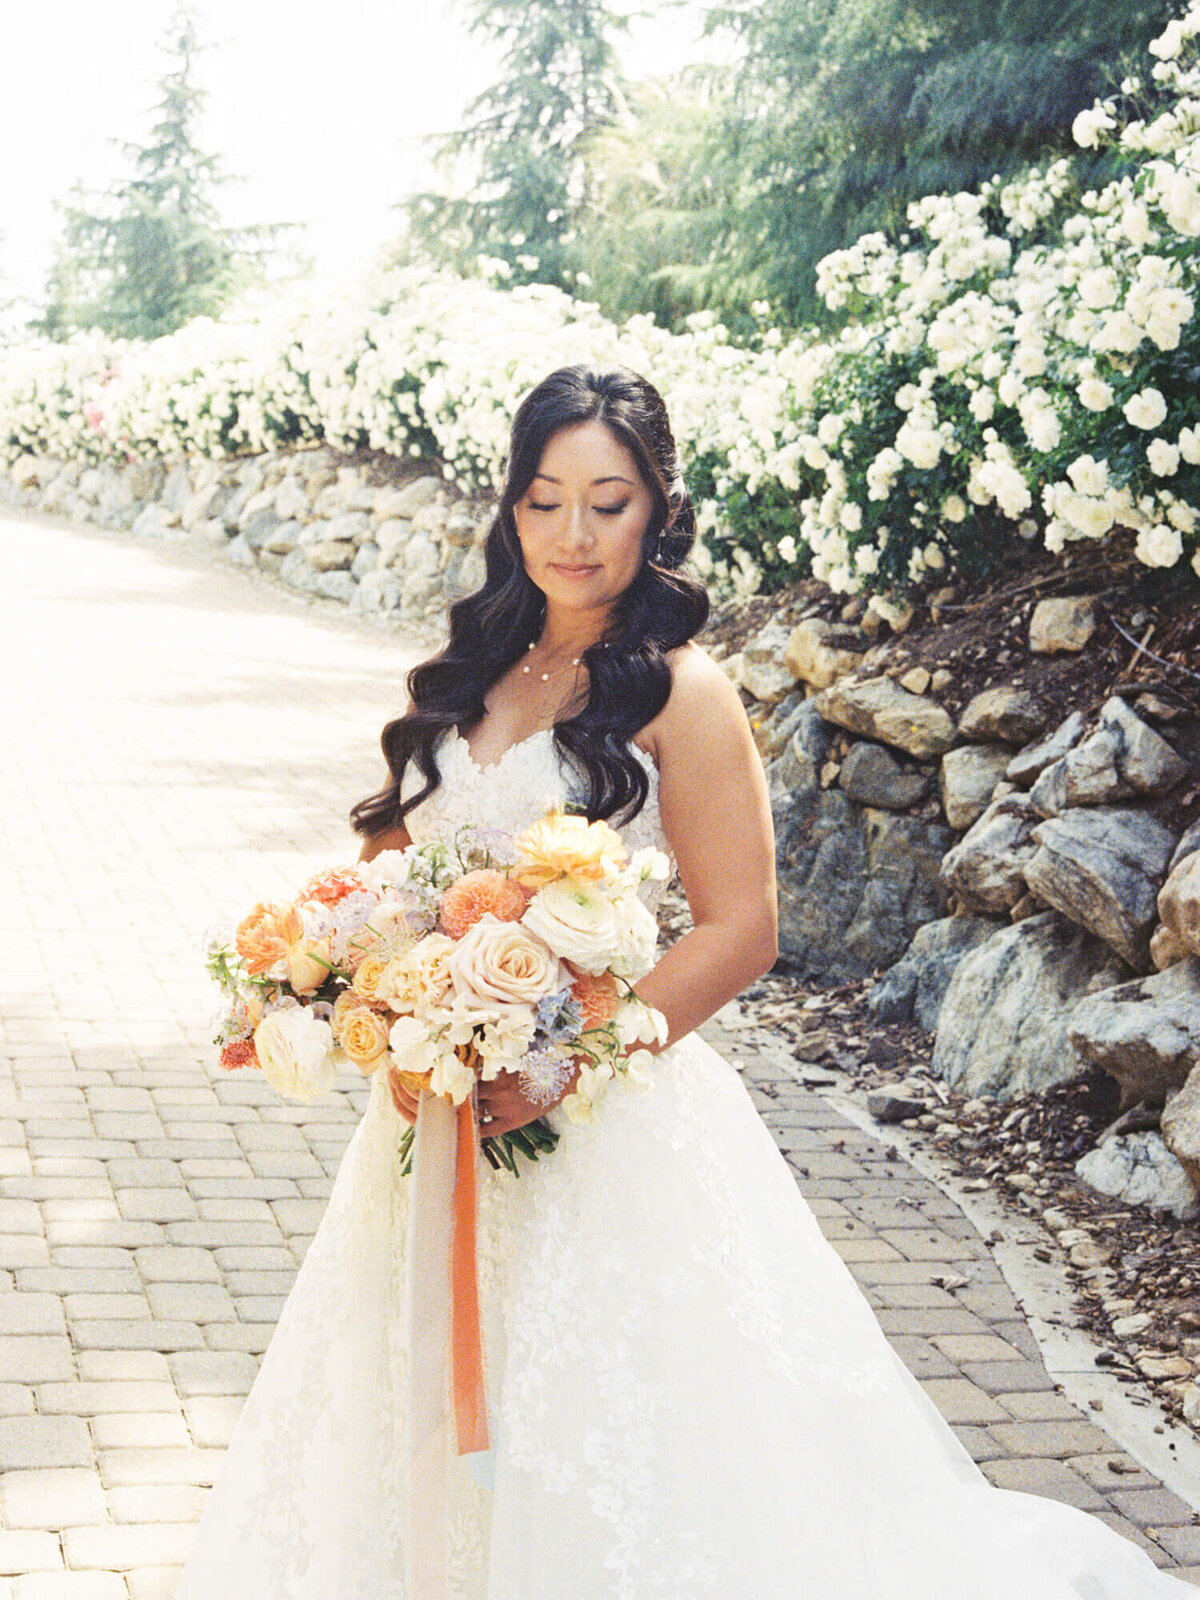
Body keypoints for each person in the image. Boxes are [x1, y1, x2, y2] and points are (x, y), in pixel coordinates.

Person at [174, 364, 1196, 1599]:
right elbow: (394, 870)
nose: (573, 534)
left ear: (658, 508)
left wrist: (571, 1056)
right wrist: (343, 970)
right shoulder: (461, 673)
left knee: (614, 1426)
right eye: (545, 500)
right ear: (512, 507)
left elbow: (742, 926)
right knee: (409, 1401)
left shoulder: (683, 691)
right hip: (434, 1113)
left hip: (607, 1116)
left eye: (608, 502)